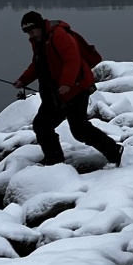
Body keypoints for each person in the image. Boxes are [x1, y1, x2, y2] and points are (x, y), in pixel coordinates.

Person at [14, 10, 124, 168]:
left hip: (75, 90)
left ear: (39, 26)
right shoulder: (39, 41)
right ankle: (54, 160)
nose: (30, 35)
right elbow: (39, 65)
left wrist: (66, 83)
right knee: (42, 125)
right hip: (55, 95)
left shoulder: (58, 35)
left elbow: (72, 58)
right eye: (27, 33)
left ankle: (114, 151)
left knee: (79, 129)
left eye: (31, 31)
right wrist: (23, 80)